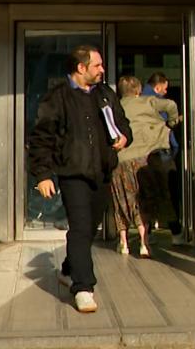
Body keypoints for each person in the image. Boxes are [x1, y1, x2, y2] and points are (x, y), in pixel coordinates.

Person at [28, 45, 132, 313]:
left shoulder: (106, 94)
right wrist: (43, 174)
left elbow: (123, 123)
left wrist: (124, 137)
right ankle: (83, 287)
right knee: (82, 226)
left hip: (102, 171)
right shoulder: (57, 97)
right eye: (97, 65)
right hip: (72, 172)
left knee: (89, 227)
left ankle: (69, 267)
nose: (102, 70)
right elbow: (42, 138)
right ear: (81, 68)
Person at [112, 75, 179, 258]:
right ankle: (143, 243)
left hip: (121, 159)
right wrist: (172, 122)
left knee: (123, 200)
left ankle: (124, 242)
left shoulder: (116, 107)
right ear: (138, 90)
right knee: (143, 201)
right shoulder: (148, 101)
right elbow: (171, 105)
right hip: (144, 158)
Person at [142, 71, 184, 245]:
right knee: (168, 192)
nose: (166, 92)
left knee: (148, 193)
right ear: (158, 87)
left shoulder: (140, 99)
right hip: (160, 153)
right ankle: (175, 230)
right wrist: (177, 120)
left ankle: (148, 231)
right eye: (165, 89)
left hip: (145, 153)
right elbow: (167, 123)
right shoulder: (155, 102)